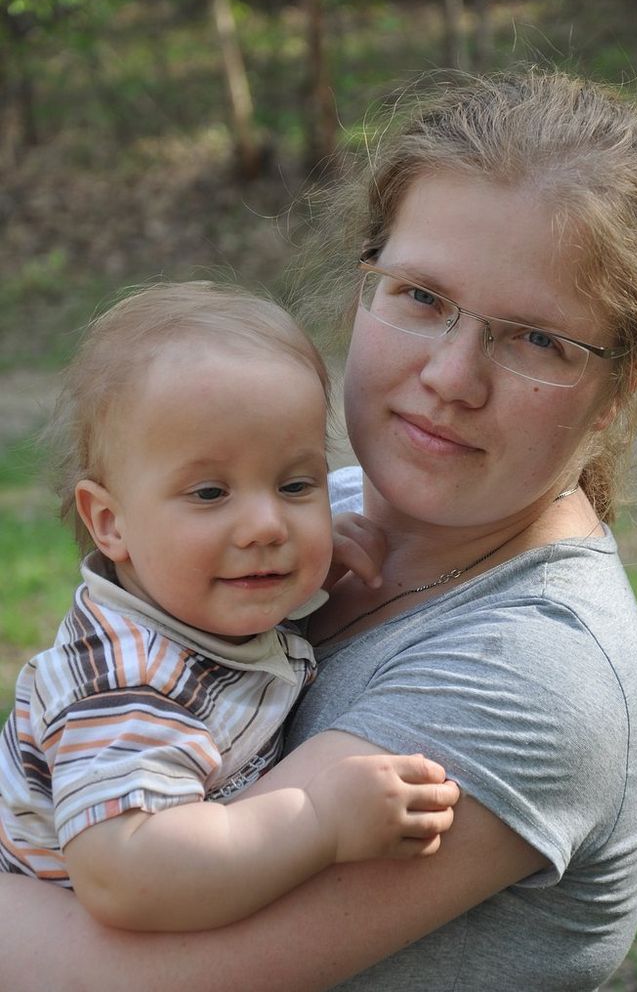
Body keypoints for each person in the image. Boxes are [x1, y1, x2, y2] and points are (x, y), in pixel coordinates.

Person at [1, 68, 637, 991]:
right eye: (421, 296)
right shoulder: (311, 513)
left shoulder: (537, 671)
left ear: (620, 387)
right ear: (364, 287)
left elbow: (145, 976)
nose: (452, 378)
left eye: (537, 339)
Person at [0, 281, 458, 933]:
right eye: (211, 494)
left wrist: (310, 566)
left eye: (294, 485)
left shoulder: (195, 608)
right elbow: (126, 877)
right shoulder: (128, 683)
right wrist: (318, 820)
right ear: (110, 522)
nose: (267, 526)